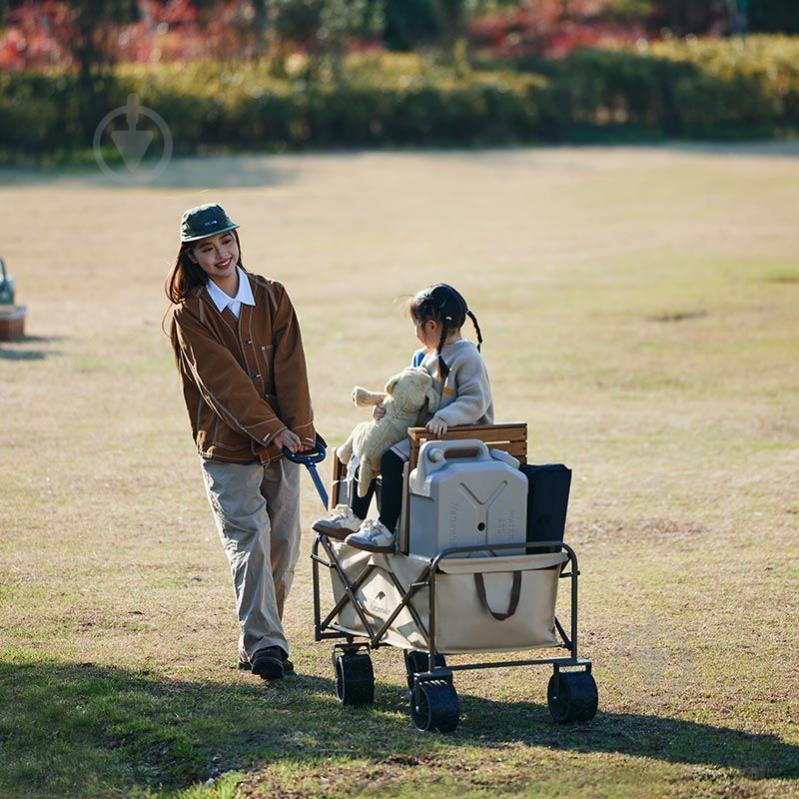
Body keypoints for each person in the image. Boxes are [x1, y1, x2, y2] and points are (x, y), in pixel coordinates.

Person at [164, 203, 316, 680]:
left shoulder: (273, 296)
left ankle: (260, 637)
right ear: (192, 256)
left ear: (236, 240)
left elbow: (292, 369)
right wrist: (272, 429)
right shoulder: (188, 316)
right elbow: (222, 383)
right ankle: (266, 644)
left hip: (286, 445)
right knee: (249, 539)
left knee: (284, 543)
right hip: (227, 450)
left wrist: (300, 433)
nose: (221, 254)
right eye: (207, 249)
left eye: (226, 242)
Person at [313, 283, 493, 552]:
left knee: (391, 458)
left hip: (457, 439)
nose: (416, 332)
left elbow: (475, 401)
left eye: (418, 326)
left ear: (432, 326)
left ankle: (386, 528)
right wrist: (386, 409)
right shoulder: (422, 356)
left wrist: (445, 416)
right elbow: (406, 392)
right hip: (423, 436)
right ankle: (354, 517)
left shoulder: (467, 358)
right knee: (369, 445)